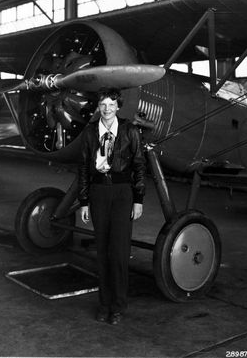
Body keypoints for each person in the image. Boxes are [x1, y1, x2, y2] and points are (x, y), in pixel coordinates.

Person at [78, 88, 146, 325]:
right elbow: (84, 169)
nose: (107, 109)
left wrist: (138, 199)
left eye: (111, 105)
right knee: (102, 252)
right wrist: (84, 201)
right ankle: (104, 304)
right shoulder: (89, 132)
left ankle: (118, 307)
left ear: (119, 107)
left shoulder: (129, 131)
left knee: (118, 252)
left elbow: (139, 166)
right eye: (103, 105)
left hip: (122, 193)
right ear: (98, 107)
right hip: (98, 193)